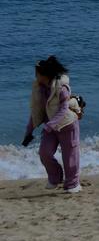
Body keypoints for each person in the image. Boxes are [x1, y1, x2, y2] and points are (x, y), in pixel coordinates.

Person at [22, 56, 84, 194]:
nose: (35, 76)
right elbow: (36, 110)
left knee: (70, 156)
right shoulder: (39, 88)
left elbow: (63, 109)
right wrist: (29, 130)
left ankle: (72, 184)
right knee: (44, 152)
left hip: (67, 124)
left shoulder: (61, 88)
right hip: (50, 127)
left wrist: (50, 125)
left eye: (37, 73)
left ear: (44, 74)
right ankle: (55, 177)